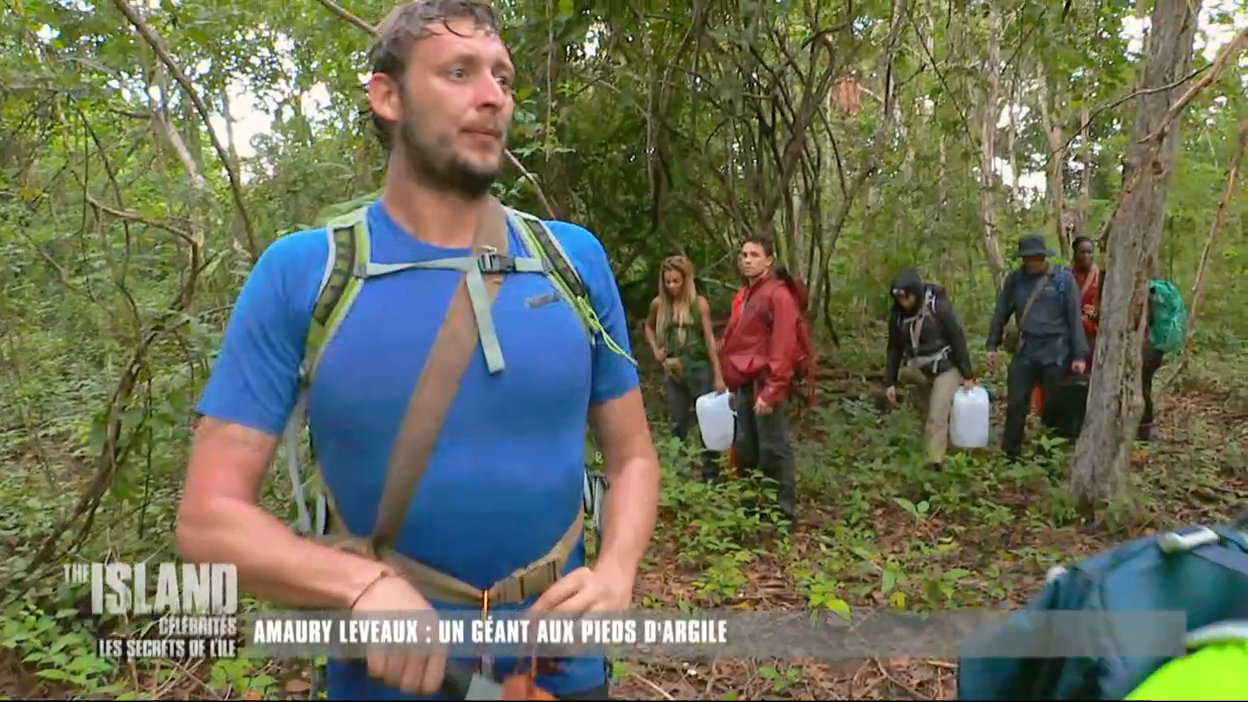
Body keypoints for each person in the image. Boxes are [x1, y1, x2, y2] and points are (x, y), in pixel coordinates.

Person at [174, 2, 661, 700]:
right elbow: (208, 517)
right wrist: (360, 584)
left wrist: (616, 572)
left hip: (557, 672)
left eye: (502, 76)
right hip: (384, 680)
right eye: (458, 72)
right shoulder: (306, 275)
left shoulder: (570, 260)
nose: (492, 96)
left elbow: (634, 456)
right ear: (388, 95)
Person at [718, 236, 799, 528]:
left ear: (769, 260)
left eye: (754, 254)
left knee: (774, 448)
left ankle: (784, 514)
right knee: (746, 448)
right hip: (743, 382)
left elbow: (784, 345)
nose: (747, 259)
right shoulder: (743, 295)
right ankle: (752, 509)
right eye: (744, 254)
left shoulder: (778, 295)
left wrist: (773, 389)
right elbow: (735, 340)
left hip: (765, 382)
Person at [985, 234, 1089, 462]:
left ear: (1043, 256)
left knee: (1052, 408)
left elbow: (1074, 318)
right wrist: (992, 344)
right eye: (1027, 258)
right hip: (1026, 350)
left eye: (1036, 258)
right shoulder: (1015, 280)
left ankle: (1048, 456)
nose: (1032, 263)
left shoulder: (1062, 280)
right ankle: (1010, 455)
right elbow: (1001, 313)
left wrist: (1079, 354)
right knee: (1016, 403)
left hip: (1056, 350)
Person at [883, 268, 976, 470]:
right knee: (927, 414)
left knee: (936, 416)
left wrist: (968, 374)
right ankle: (943, 443)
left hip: (946, 368)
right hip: (918, 370)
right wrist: (889, 381)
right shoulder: (897, 316)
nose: (903, 302)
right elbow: (894, 349)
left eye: (906, 297)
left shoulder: (938, 308)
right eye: (898, 298)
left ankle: (934, 462)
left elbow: (957, 339)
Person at [644, 255, 727, 480]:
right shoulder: (659, 304)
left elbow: (709, 340)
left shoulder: (698, 304)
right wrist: (655, 350)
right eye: (668, 281)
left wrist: (718, 375)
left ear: (685, 280)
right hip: (674, 370)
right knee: (678, 420)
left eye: (676, 281)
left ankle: (711, 473)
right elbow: (649, 327)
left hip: (699, 368)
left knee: (707, 422)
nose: (672, 286)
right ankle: (678, 471)